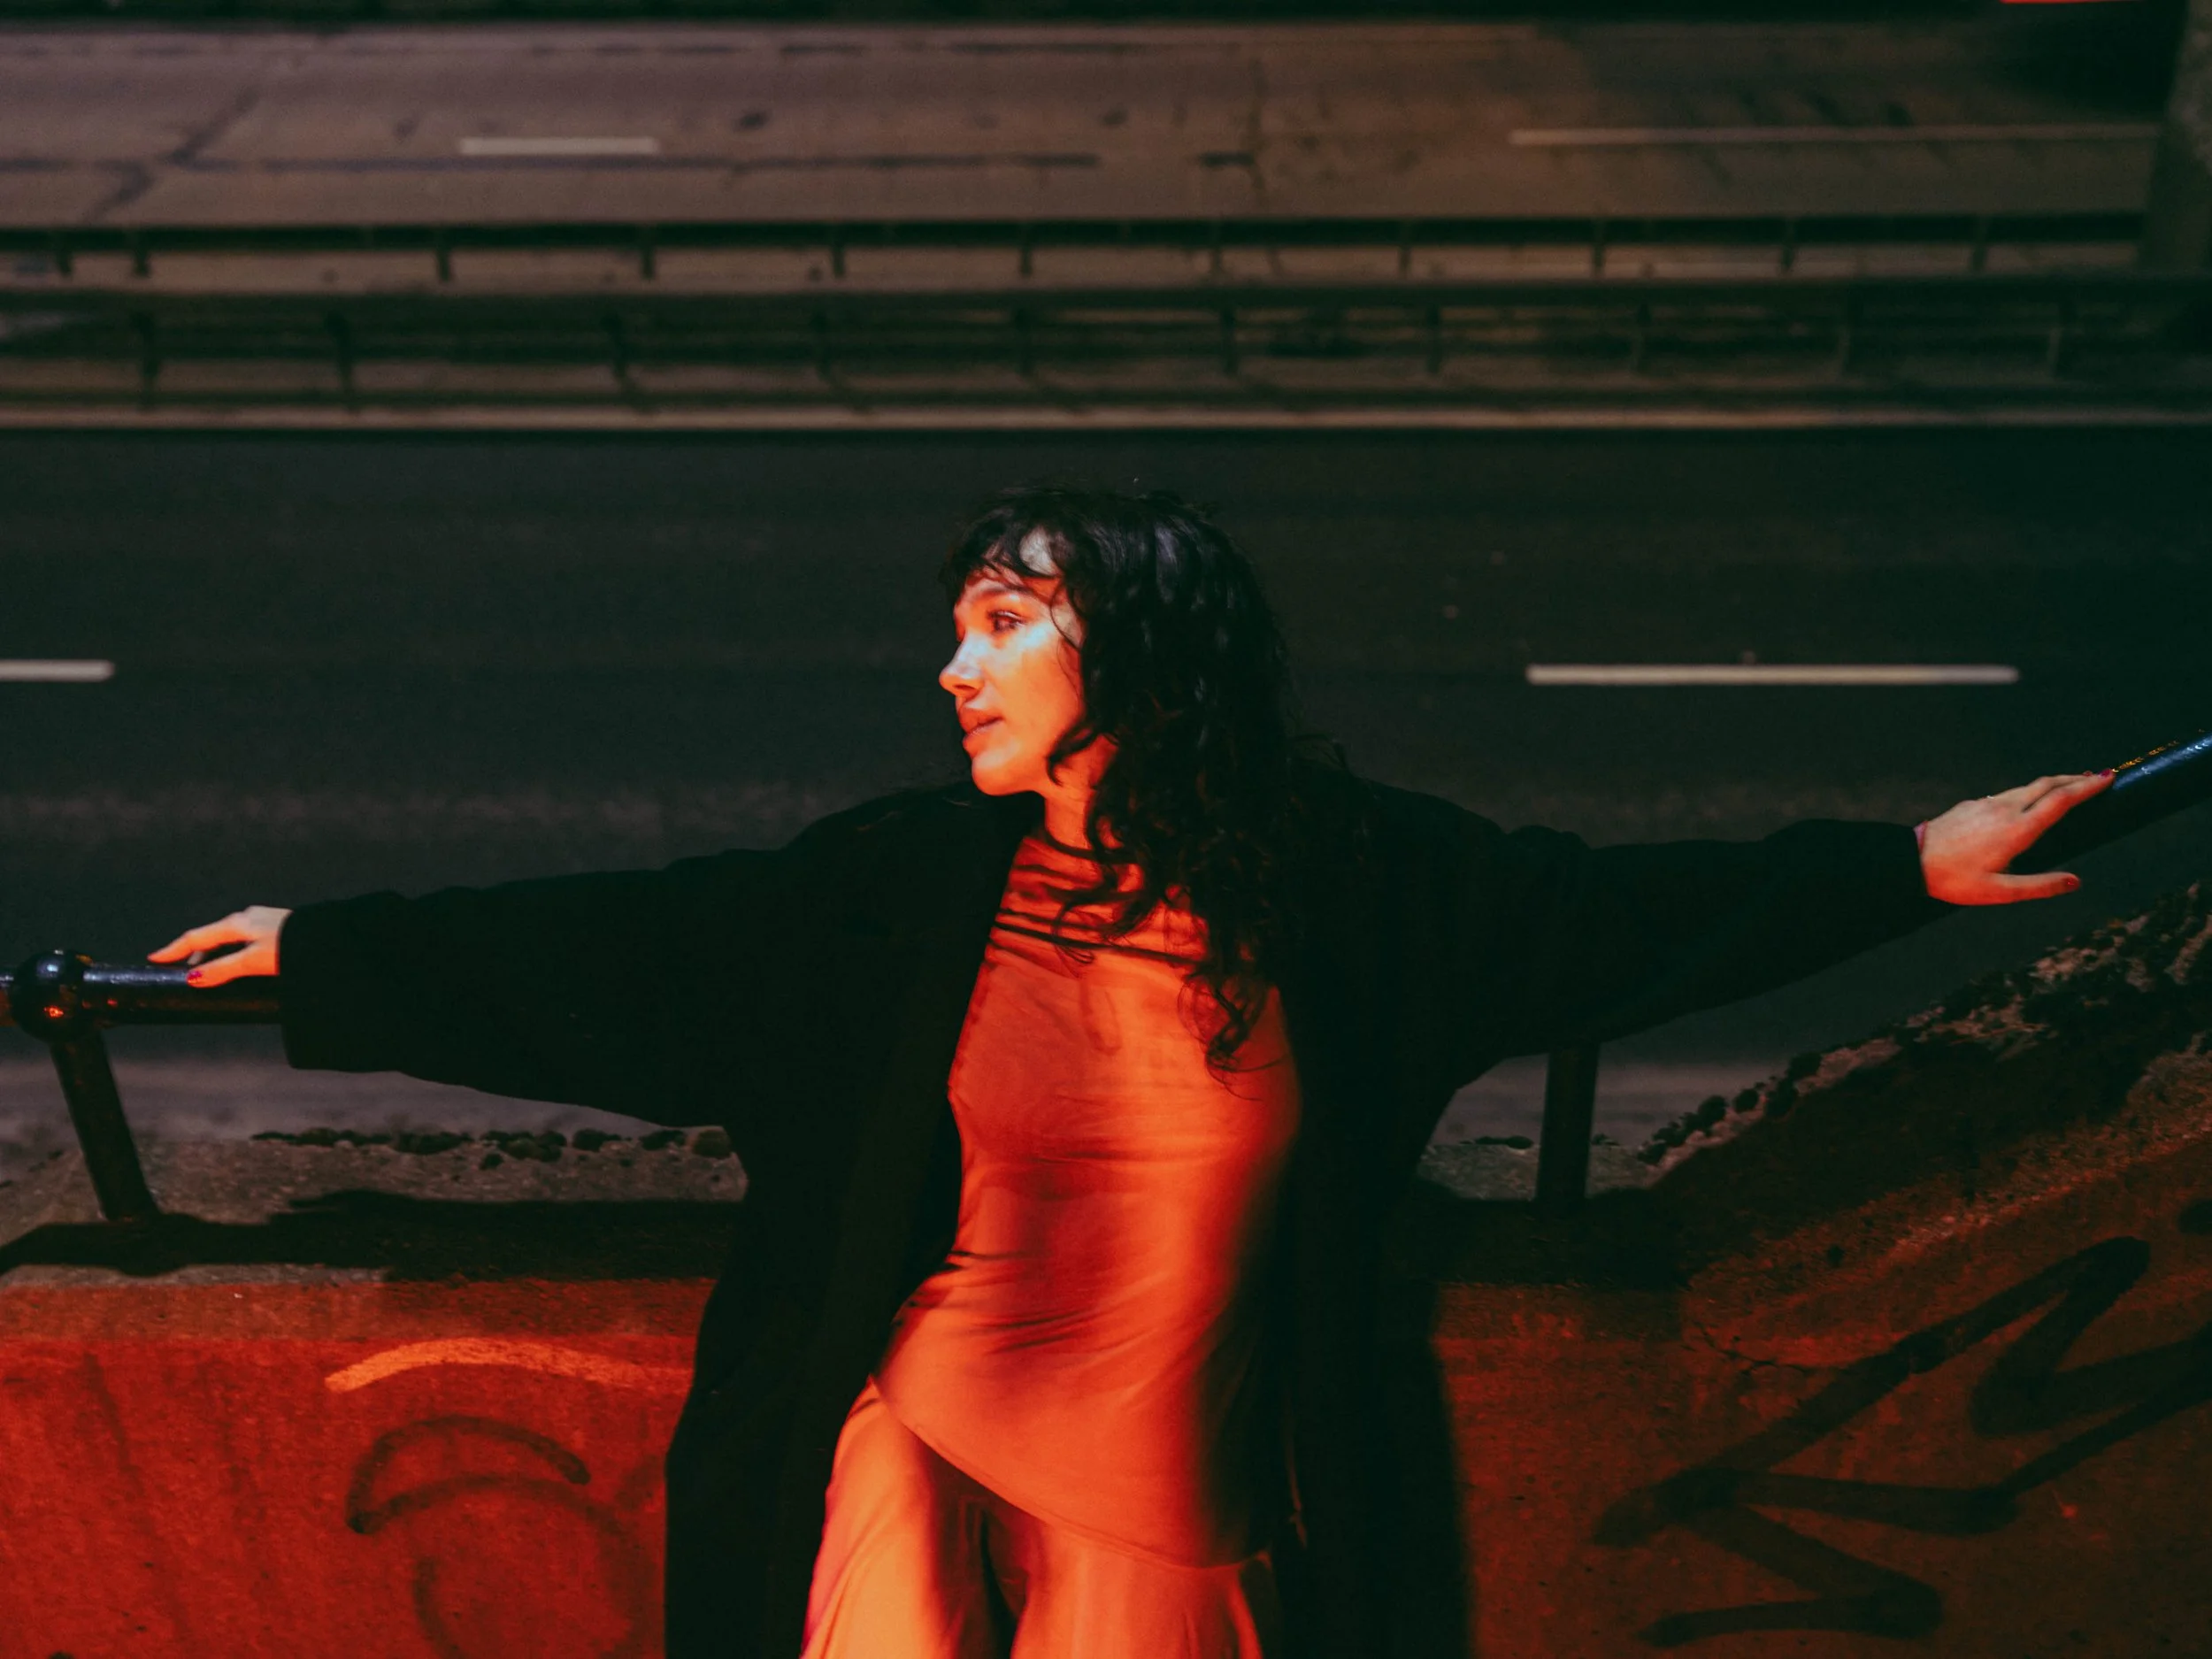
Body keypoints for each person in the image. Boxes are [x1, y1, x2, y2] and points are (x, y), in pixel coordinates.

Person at [152, 486, 2110, 1659]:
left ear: (1139, 651)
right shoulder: (901, 890)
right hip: (896, 1454)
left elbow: (1603, 919)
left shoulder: (1350, 893)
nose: (954, 667)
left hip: (1172, 1501)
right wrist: (336, 953)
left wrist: (1906, 866)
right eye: (954, 628)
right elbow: (637, 950)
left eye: (1003, 623)